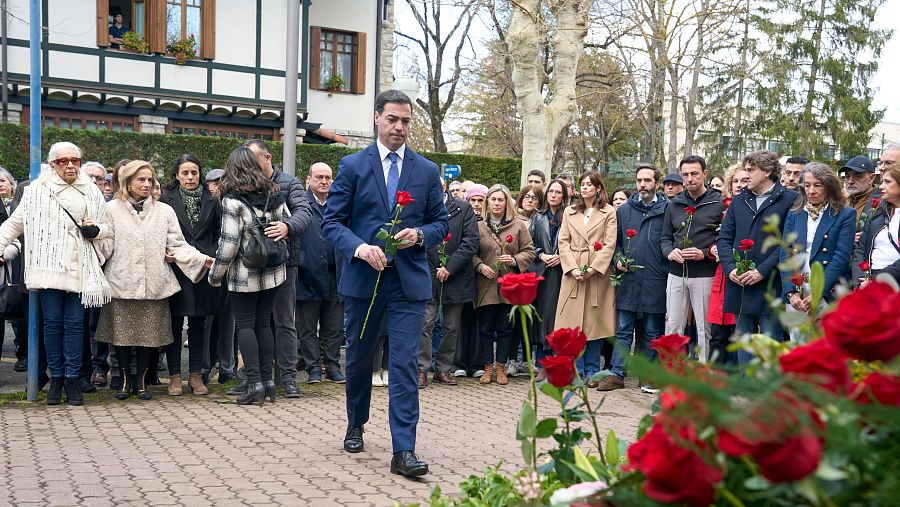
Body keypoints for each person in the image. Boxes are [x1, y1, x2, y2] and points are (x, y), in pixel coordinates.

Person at [322, 90, 448, 477]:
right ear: (377, 118)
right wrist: (359, 248)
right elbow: (331, 223)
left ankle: (403, 450)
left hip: (408, 283)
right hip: (364, 282)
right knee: (359, 359)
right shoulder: (353, 166)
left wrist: (421, 235)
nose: (399, 127)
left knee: (405, 364)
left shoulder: (426, 170)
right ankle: (355, 422)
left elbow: (441, 222)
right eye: (392, 119)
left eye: (406, 121)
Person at [0, 142, 111, 405]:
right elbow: (14, 224)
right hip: (48, 266)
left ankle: (72, 379)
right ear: (52, 165)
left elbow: (107, 227)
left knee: (75, 325)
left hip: (80, 264)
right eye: (63, 161)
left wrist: (96, 231)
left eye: (75, 160)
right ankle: (57, 378)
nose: (71, 165)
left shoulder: (92, 192)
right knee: (52, 324)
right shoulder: (37, 191)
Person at [94, 160, 212, 400]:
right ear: (127, 182)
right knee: (122, 337)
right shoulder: (111, 209)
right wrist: (92, 243)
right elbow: (105, 245)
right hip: (121, 281)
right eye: (141, 180)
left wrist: (202, 260)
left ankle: (141, 383)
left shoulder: (164, 211)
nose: (147, 184)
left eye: (150, 180)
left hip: (155, 282)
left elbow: (177, 244)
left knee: (149, 337)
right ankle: (125, 381)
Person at [208, 147, 291, 406]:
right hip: (274, 271)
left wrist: (215, 276)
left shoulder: (231, 201)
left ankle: (253, 383)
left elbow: (229, 244)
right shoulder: (273, 192)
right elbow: (285, 222)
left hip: (245, 274)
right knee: (264, 324)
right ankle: (268, 383)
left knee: (245, 326)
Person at [243, 139, 312, 398]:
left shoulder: (290, 183)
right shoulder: (244, 184)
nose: (248, 164)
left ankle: (288, 378)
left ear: (268, 158)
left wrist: (287, 226)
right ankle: (257, 378)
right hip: (253, 264)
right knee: (255, 322)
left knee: (284, 322)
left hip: (284, 263)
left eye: (253, 159)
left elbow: (304, 213)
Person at [718, 150, 798, 364]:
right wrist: (731, 268)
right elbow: (724, 238)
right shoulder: (739, 200)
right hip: (739, 281)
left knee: (771, 337)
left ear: (767, 172)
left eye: (751, 170)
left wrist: (762, 271)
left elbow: (788, 243)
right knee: (744, 338)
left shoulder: (790, 199)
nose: (745, 175)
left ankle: (767, 391)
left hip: (770, 282)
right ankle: (746, 390)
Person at [159, 154, 223, 396]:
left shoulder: (212, 200)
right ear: (177, 175)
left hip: (205, 267)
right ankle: (175, 376)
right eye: (185, 173)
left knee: (199, 322)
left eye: (194, 173)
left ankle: (196, 375)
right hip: (177, 267)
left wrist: (214, 253)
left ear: (200, 175)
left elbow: (219, 232)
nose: (190, 177)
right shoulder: (166, 200)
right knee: (175, 322)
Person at [601, 164, 668, 392]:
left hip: (654, 278)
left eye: (648, 180)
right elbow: (616, 244)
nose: (642, 184)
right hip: (629, 278)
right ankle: (617, 373)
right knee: (623, 329)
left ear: (656, 183)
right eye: (639, 180)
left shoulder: (667, 209)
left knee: (651, 330)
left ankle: (647, 374)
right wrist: (617, 260)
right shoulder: (624, 210)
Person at [659, 156, 723, 363]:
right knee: (673, 325)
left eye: (694, 174)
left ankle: (706, 374)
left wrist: (704, 253)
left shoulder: (718, 202)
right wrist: (670, 252)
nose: (689, 179)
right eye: (685, 175)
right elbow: (665, 238)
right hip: (676, 273)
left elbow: (723, 239)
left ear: (705, 174)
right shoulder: (674, 203)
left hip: (705, 274)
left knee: (705, 328)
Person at [556, 171, 617, 387]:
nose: (585, 188)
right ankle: (576, 370)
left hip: (596, 275)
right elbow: (562, 242)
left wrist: (592, 268)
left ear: (598, 188)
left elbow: (610, 243)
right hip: (573, 273)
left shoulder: (608, 212)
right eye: (582, 184)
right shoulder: (569, 211)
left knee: (594, 324)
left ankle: (593, 371)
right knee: (573, 325)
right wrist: (572, 268)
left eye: (589, 184)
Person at [416, 178, 479, 387]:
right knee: (426, 323)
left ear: (443, 188)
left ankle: (443, 369)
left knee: (452, 326)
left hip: (457, 276)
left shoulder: (463, 208)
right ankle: (421, 368)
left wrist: (449, 267)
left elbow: (470, 242)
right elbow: (415, 240)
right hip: (428, 275)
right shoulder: (421, 208)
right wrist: (431, 268)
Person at [779, 163, 855, 330]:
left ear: (829, 187)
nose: (811, 190)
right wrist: (791, 292)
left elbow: (841, 256)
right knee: (797, 347)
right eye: (807, 185)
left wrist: (819, 292)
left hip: (827, 289)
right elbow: (785, 253)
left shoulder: (845, 214)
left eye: (817, 185)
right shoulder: (795, 213)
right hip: (797, 291)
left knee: (825, 347)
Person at [472, 184, 535, 385]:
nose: (497, 203)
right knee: (485, 328)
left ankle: (501, 367)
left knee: (506, 328)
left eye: (501, 199)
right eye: (493, 199)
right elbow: (470, 252)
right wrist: (480, 266)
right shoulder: (479, 226)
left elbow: (530, 251)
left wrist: (515, 260)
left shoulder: (518, 225)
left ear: (507, 202)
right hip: (486, 285)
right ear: (487, 202)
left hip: (509, 285)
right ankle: (487, 368)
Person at [296, 162, 346, 384]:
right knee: (307, 328)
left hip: (336, 276)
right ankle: (313, 368)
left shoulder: (339, 206)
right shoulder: (301, 205)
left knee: (334, 326)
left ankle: (332, 365)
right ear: (309, 180)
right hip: (308, 276)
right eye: (319, 177)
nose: (324, 181)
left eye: (327, 177)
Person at [707, 163, 747, 365]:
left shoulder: (752, 208)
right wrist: (711, 248)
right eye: (735, 181)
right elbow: (706, 237)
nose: (739, 185)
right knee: (717, 332)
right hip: (721, 276)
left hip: (742, 274)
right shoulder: (721, 208)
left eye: (744, 180)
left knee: (737, 332)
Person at [510, 184, 550, 377]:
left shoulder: (541, 220)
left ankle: (526, 360)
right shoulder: (512, 217)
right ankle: (510, 360)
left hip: (533, 274)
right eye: (527, 196)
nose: (530, 200)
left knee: (528, 319)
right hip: (512, 272)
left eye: (535, 198)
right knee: (512, 320)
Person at [533, 179, 569, 381]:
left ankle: (559, 362)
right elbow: (529, 243)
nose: (554, 195)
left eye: (558, 192)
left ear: (564, 195)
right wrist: (541, 255)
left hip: (562, 269)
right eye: (551, 191)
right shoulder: (538, 217)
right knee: (543, 316)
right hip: (544, 270)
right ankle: (543, 363)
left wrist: (562, 257)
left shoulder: (570, 215)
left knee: (559, 316)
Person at [851, 162, 900, 285]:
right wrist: (860, 281)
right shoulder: (878, 211)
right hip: (869, 282)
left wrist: (875, 280)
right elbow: (860, 249)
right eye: (882, 182)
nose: (881, 187)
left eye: (887, 182)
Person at [840, 155, 881, 229]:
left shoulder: (882, 202)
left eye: (858, 176)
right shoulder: (842, 202)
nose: (850, 181)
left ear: (871, 178)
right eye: (847, 176)